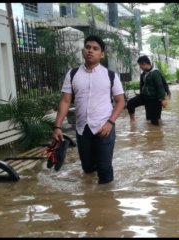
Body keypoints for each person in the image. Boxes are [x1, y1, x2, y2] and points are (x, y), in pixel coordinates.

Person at [52, 35, 125, 184]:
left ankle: (105, 202)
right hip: (82, 129)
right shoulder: (72, 74)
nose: (90, 51)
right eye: (88, 47)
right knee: (88, 168)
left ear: (102, 54)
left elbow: (120, 101)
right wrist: (57, 126)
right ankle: (90, 200)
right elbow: (65, 101)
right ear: (83, 51)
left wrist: (110, 122)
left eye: (95, 49)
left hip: (105, 128)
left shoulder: (110, 76)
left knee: (104, 170)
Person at [127, 55, 167, 126]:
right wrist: (140, 95)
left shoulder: (155, 73)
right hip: (144, 96)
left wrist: (163, 99)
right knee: (130, 103)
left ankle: (157, 133)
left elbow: (160, 86)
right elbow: (141, 86)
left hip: (154, 99)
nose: (140, 67)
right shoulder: (143, 74)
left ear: (144, 64)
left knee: (154, 122)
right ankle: (132, 120)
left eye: (140, 65)